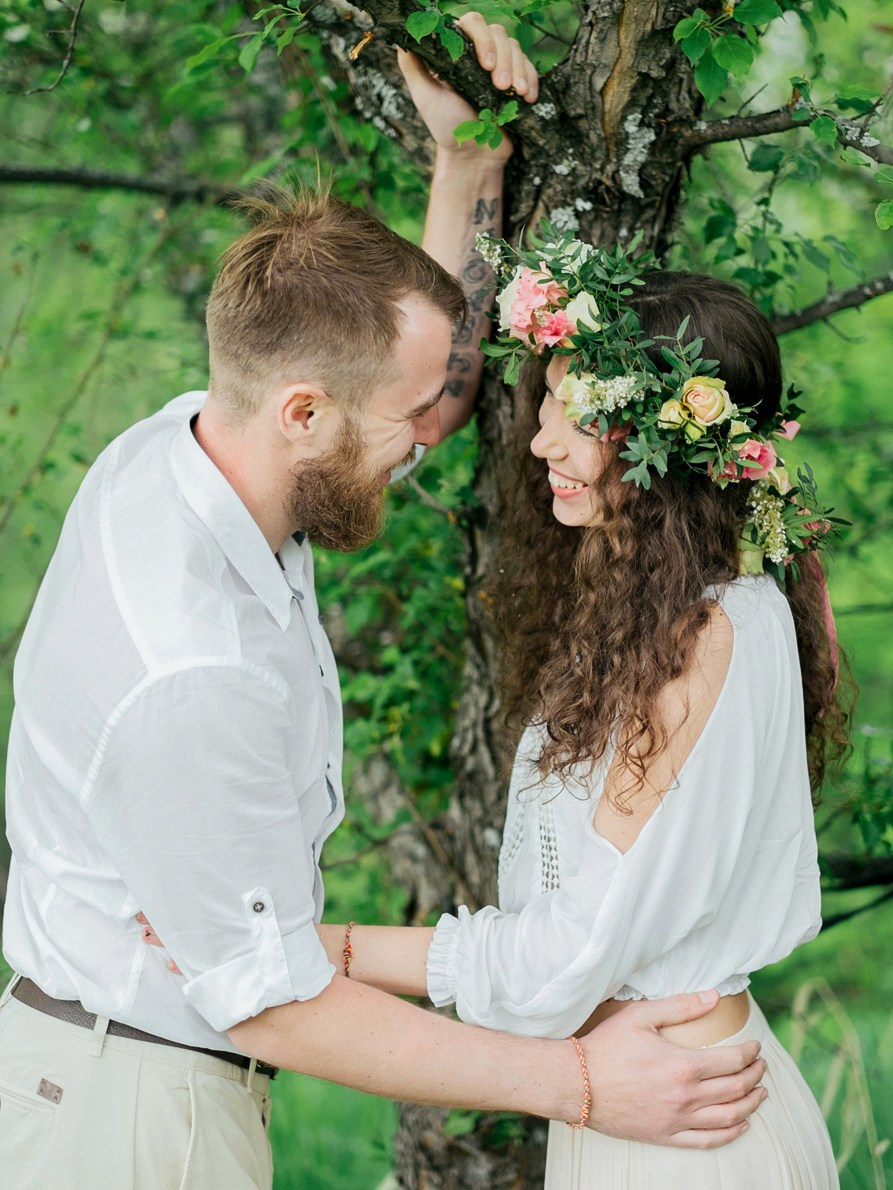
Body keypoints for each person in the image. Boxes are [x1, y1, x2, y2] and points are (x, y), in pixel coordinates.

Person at [0, 16, 767, 1190]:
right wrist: (577, 1083)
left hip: (150, 1070)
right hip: (126, 1109)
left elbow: (425, 387)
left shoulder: (197, 441)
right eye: (401, 424)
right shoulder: (187, 662)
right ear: (304, 413)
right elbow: (278, 1007)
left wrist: (460, 170)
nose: (430, 440)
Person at [301, 240, 851, 1188]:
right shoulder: (672, 613)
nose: (542, 440)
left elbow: (571, 955)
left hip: (685, 1134)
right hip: (650, 1104)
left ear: (667, 449)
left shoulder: (711, 633)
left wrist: (329, 951)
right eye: (548, 404)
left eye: (579, 416)